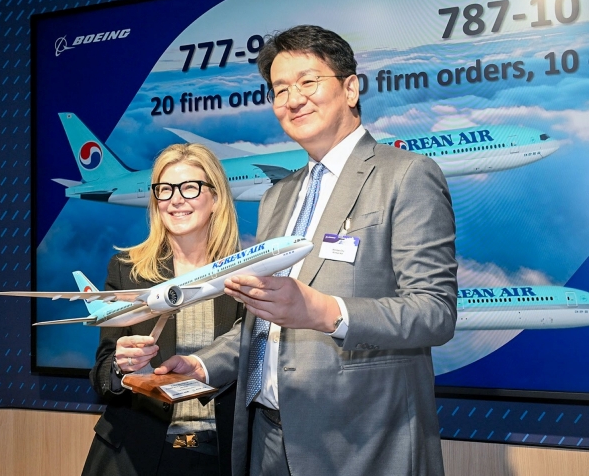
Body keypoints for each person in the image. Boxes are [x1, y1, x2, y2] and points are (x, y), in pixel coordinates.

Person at [157, 25, 458, 476]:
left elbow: (434, 312)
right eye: (280, 89)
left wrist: (327, 312)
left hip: (362, 441)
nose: (293, 99)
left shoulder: (407, 175)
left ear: (351, 87)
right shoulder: (279, 196)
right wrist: (203, 364)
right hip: (268, 438)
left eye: (307, 82)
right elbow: (264, 325)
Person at [82, 143, 244, 476]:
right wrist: (120, 367)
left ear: (215, 198)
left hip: (220, 455)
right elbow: (101, 375)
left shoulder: (244, 276)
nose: (176, 199)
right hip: (135, 454)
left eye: (190, 187)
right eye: (165, 189)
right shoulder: (127, 270)